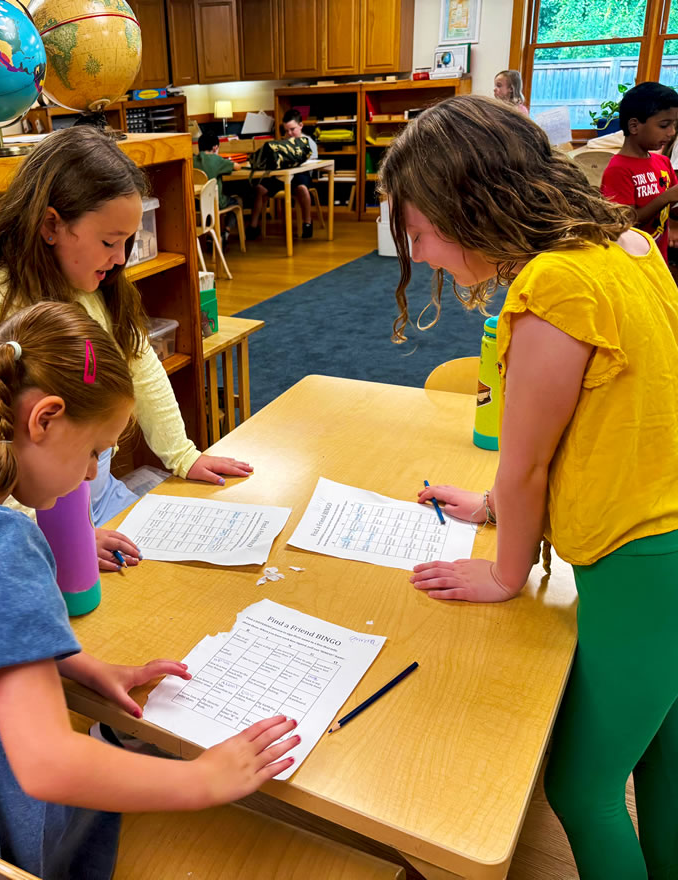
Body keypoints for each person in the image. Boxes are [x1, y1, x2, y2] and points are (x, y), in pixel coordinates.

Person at [0, 301, 299, 880]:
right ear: (44, 419)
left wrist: (73, 662)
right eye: (95, 452)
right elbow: (48, 763)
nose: (89, 475)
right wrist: (204, 778)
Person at [379, 95, 678, 879]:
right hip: (661, 539)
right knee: (663, 763)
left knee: (579, 789)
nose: (425, 254)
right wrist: (490, 509)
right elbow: (604, 426)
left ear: (466, 206)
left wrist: (507, 572)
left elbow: (529, 460)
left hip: (643, 559)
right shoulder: (625, 247)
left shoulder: (551, 286)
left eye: (419, 233)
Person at [0, 127, 252, 573]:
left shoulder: (93, 285)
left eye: (126, 240)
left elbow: (142, 366)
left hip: (91, 508)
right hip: (25, 528)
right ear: (50, 225)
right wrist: (59, 535)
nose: (121, 258)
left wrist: (183, 455)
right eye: (109, 242)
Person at [602, 81, 678, 265]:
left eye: (675, 125)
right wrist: (664, 198)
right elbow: (622, 223)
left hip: (658, 257)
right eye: (664, 125)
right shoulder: (618, 169)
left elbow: (674, 203)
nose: (672, 132)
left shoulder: (663, 162)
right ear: (634, 126)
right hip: (632, 262)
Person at [247, 109, 317, 241]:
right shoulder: (282, 143)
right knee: (260, 189)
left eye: (292, 129)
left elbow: (310, 165)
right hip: (281, 176)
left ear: (301, 125)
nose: (289, 133)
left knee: (302, 188)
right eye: (286, 130)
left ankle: (307, 222)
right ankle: (253, 226)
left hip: (301, 175)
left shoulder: (309, 143)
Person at [193, 131, 242, 248]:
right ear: (215, 147)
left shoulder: (192, 161)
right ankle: (226, 232)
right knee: (238, 201)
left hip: (196, 204)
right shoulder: (216, 159)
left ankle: (211, 236)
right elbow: (237, 166)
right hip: (216, 203)